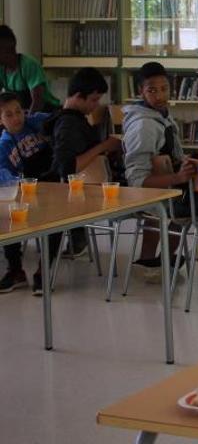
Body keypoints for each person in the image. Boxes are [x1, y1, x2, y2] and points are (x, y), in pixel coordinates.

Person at [122, 61, 198, 283]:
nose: (160, 95)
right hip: (156, 193)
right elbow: (136, 181)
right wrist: (177, 177)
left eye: (164, 88)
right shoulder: (144, 125)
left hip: (171, 187)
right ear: (140, 92)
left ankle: (164, 259)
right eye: (152, 90)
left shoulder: (162, 116)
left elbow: (171, 155)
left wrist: (187, 163)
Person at [40, 67, 123, 287]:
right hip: (63, 190)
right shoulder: (69, 124)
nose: (96, 105)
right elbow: (66, 167)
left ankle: (76, 241)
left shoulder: (64, 117)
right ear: (78, 97)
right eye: (94, 100)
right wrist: (104, 146)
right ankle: (45, 273)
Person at [0, 92, 54, 293]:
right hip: (26, 193)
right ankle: (15, 271)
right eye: (8, 115)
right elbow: (3, 175)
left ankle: (44, 270)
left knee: (54, 220)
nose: (16, 118)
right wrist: (16, 183)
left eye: (18, 112)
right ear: (0, 119)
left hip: (53, 185)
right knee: (8, 219)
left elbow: (56, 120)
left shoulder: (34, 122)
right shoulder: (4, 145)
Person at [0, 25, 60, 113]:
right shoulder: (2, 69)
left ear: (8, 50)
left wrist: (25, 122)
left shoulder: (28, 65)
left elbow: (38, 101)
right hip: (22, 115)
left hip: (45, 113)